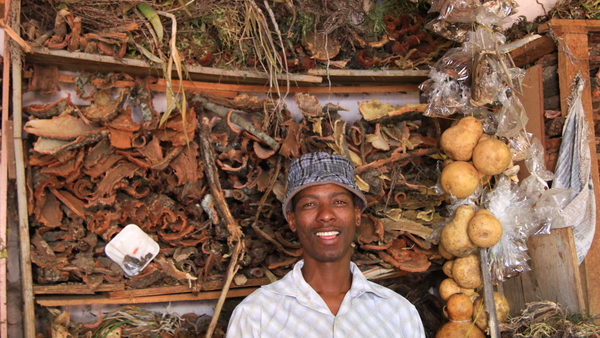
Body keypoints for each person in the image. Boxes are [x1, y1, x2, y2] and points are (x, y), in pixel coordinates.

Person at [227, 152, 426, 337]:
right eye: (310, 204)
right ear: (292, 220)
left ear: (357, 215)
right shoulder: (255, 316)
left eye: (339, 202)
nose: (326, 215)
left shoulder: (398, 314)